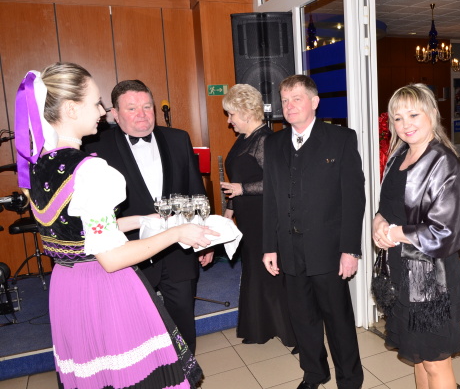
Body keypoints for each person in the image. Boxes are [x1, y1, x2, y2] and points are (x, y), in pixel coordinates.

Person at [14, 62, 217, 388]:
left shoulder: (39, 163)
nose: (101, 112)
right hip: (102, 283)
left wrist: (139, 220)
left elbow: (81, 230)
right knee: (133, 374)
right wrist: (177, 232)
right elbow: (110, 258)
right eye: (96, 103)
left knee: (97, 374)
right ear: (71, 108)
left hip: (66, 285)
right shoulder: (91, 169)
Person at [85, 79, 212, 354]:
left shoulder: (178, 138)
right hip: (130, 252)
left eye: (147, 106)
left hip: (180, 251)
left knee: (183, 319)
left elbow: (196, 192)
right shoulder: (96, 147)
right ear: (114, 114)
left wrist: (206, 239)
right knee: (135, 327)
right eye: (132, 108)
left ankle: (185, 371)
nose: (142, 114)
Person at [372, 84, 460, 389]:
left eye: (413, 115)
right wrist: (379, 222)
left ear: (432, 113)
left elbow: (445, 230)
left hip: (430, 276)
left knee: (434, 360)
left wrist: (395, 232)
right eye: (397, 118)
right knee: (417, 355)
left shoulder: (442, 162)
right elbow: (388, 206)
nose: (405, 124)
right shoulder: (399, 156)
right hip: (400, 269)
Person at [262, 75, 365, 389]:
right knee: (302, 319)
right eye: (285, 100)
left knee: (338, 321)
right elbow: (271, 199)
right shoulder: (274, 143)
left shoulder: (341, 139)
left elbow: (354, 199)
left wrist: (350, 249)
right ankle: (314, 373)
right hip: (289, 250)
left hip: (329, 250)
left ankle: (350, 380)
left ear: (314, 102)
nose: (289, 106)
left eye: (297, 98)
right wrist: (269, 246)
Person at [220, 84, 297, 348]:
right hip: (247, 216)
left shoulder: (265, 140)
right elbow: (238, 178)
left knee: (271, 273)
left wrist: (242, 189)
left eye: (231, 114)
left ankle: (290, 331)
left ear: (245, 112)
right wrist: (229, 212)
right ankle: (260, 327)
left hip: (265, 216)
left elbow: (277, 182)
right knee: (255, 270)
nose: (229, 121)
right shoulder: (244, 138)